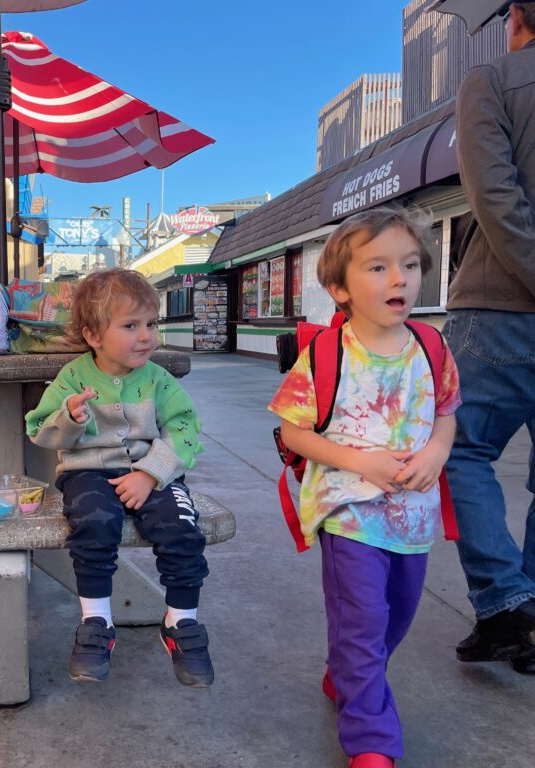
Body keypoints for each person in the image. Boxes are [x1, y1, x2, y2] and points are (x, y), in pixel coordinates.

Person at [269, 208, 461, 768]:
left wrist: (437, 452)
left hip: (414, 516)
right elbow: (293, 431)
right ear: (340, 288)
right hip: (348, 513)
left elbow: (446, 412)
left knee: (395, 617)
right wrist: (361, 463)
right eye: (378, 267)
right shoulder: (328, 354)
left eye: (409, 264)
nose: (399, 278)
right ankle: (372, 740)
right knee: (363, 621)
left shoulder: (432, 346)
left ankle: (347, 675)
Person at [24, 268, 212, 687]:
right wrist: (69, 418)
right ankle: (97, 623)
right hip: (88, 471)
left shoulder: (159, 380)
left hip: (152, 472)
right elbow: (40, 430)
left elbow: (184, 429)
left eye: (151, 324)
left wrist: (150, 473)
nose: (146, 336)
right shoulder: (73, 378)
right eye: (130, 326)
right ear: (93, 335)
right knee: (93, 523)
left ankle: (181, 621)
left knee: (181, 527)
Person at [445, 0, 535, 675]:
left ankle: (507, 604)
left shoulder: (494, 80)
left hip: (498, 304)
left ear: (518, 17)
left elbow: (494, 197)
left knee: (459, 449)